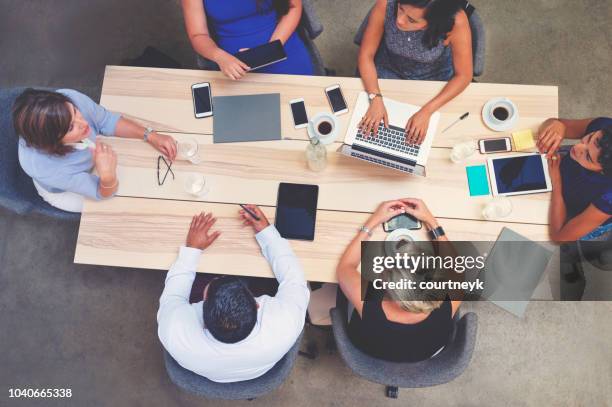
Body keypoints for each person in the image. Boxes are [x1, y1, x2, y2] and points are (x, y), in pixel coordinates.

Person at [157, 206, 309, 383]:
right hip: (258, 368)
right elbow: (294, 279)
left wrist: (192, 249)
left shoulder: (174, 332)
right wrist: (267, 233)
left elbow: (173, 296)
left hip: (211, 371)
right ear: (257, 304)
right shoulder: (285, 324)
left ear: (203, 317)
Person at [12, 88, 177, 213]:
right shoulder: (46, 169)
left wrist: (150, 135)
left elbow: (106, 121)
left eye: (75, 112)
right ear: (53, 142)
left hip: (90, 160)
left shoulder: (69, 100)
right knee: (115, 207)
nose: (83, 123)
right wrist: (107, 176)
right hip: (63, 189)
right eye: (71, 127)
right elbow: (102, 193)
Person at [336, 198, 461, 362]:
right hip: (424, 354)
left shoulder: (370, 303)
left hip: (368, 349)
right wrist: (431, 221)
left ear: (386, 285)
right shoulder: (449, 300)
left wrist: (372, 223)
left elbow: (346, 267)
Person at [358, 0, 473, 144]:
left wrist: (427, 111)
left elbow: (464, 75)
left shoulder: (455, 22)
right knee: (368, 131)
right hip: (389, 69)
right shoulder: (386, 4)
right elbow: (366, 55)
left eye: (412, 20)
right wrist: (375, 97)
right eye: (400, 8)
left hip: (433, 79)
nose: (399, 20)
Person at [181, 0, 314, 79]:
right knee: (248, 119)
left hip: (280, 42)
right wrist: (219, 56)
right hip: (232, 62)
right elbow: (198, 35)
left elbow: (293, 7)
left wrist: (269, 50)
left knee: (304, 105)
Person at [537, 117, 612, 241]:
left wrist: (556, 181)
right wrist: (557, 125)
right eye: (589, 137)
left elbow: (558, 236)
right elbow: (555, 123)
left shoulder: (609, 198)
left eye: (587, 156)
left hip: (591, 212)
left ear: (604, 172)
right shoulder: (604, 128)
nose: (577, 147)